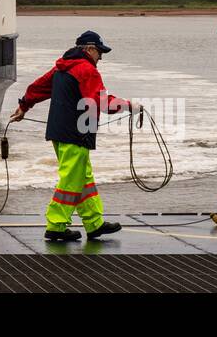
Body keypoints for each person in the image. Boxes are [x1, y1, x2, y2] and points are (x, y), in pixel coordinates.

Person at [10, 30, 139, 242]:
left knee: (83, 178)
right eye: (99, 52)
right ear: (89, 49)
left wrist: (24, 106)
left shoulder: (63, 66)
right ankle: (56, 225)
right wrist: (129, 106)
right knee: (71, 180)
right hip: (75, 133)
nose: (101, 58)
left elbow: (38, 87)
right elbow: (102, 102)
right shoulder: (86, 70)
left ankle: (94, 223)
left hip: (59, 133)